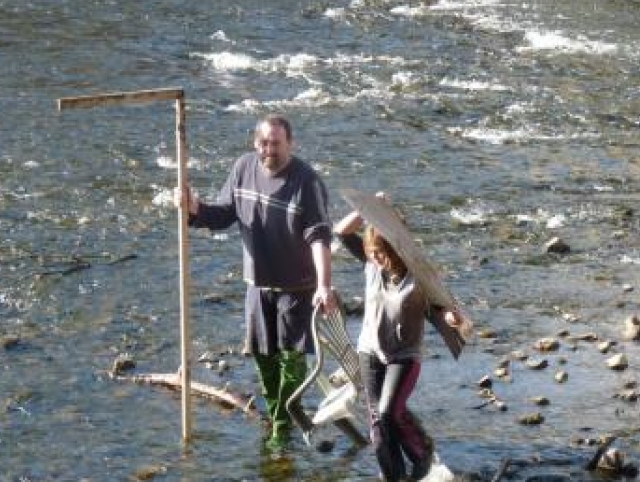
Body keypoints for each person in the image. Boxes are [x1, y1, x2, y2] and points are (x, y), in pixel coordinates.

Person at [175, 114, 337, 451]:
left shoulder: (307, 182)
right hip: (258, 286)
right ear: (255, 143)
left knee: (291, 359)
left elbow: (320, 238)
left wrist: (324, 284)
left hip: (297, 288)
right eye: (264, 143)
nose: (269, 150)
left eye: (276, 144)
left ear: (290, 144)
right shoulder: (243, 169)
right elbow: (221, 214)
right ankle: (280, 413)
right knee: (263, 356)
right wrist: (192, 207)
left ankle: (282, 425)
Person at [333, 195, 465, 481]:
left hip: (404, 355)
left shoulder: (419, 277)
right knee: (376, 421)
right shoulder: (371, 265)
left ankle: (422, 451)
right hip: (370, 350)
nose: (375, 257)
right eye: (371, 252)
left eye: (380, 252)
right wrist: (367, 209)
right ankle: (392, 475)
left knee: (389, 412)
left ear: (395, 248)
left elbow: (442, 310)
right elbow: (341, 231)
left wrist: (451, 319)